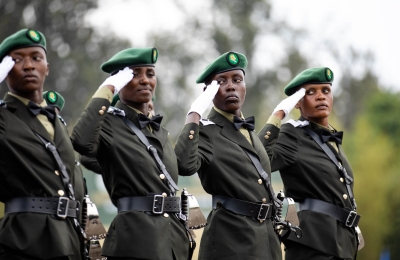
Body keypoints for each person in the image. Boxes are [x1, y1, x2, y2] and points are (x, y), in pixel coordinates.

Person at [71, 47, 190, 260]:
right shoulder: (108, 124)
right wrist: (108, 88)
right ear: (121, 80)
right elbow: (81, 142)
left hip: (173, 243)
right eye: (135, 74)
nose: (145, 80)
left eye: (150, 74)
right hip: (135, 243)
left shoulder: (159, 130)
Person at [174, 51, 282, 260]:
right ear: (208, 92)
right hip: (229, 242)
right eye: (221, 81)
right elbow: (184, 164)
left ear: (244, 88)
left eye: (237, 80)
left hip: (266, 241)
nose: (231, 86)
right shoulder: (205, 131)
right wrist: (195, 113)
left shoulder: (250, 132)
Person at [258, 67, 361, 259]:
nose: (321, 97)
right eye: (310, 92)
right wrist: (279, 114)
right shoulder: (292, 134)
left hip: (342, 244)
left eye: (326, 91)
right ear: (297, 102)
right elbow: (256, 160)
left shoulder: (330, 137)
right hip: (312, 245)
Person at [0, 29, 85, 260]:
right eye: (17, 60)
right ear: (5, 70)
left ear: (47, 68)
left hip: (69, 241)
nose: (28, 65)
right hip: (25, 244)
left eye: (36, 58)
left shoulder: (56, 119)